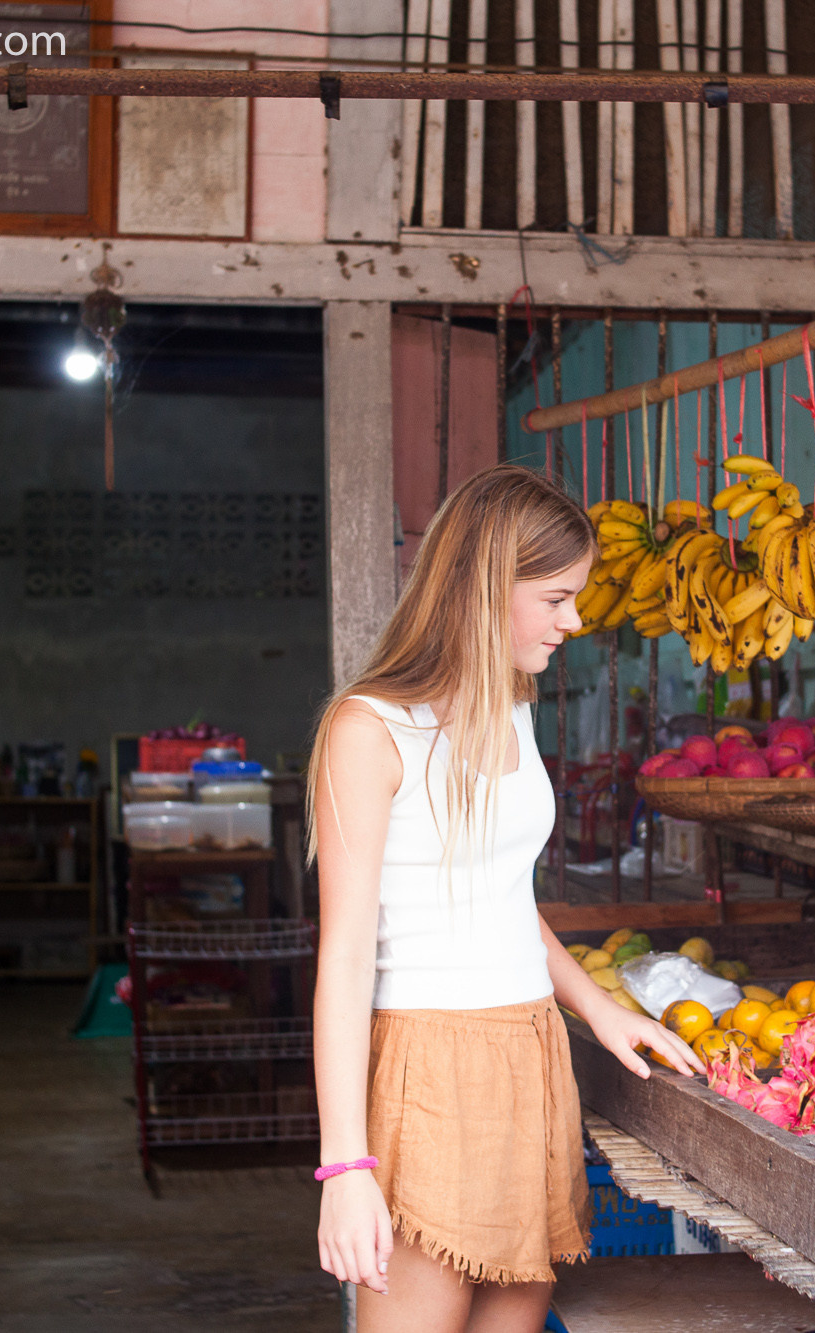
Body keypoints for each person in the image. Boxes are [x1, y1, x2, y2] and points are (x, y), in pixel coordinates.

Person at [309, 464, 701, 1332]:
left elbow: (499, 894)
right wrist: (346, 1168)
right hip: (429, 1068)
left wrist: (598, 1009)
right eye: (557, 597)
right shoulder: (367, 729)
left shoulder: (512, 711)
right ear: (489, 584)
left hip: (532, 1054)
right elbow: (341, 956)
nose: (577, 619)